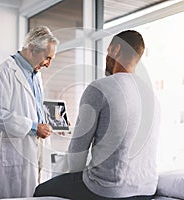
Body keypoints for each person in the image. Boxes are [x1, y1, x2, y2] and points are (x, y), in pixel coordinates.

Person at [33, 30, 160, 200]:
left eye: (108, 51)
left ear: (116, 49)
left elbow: (76, 160)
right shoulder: (152, 95)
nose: (106, 57)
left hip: (108, 190)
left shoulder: (99, 88)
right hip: (147, 189)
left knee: (40, 190)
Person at [0, 26, 59, 199]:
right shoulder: (4, 72)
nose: (49, 64)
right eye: (47, 58)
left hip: (34, 150)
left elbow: (33, 109)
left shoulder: (35, 74)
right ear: (32, 48)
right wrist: (34, 127)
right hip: (11, 156)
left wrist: (53, 123)